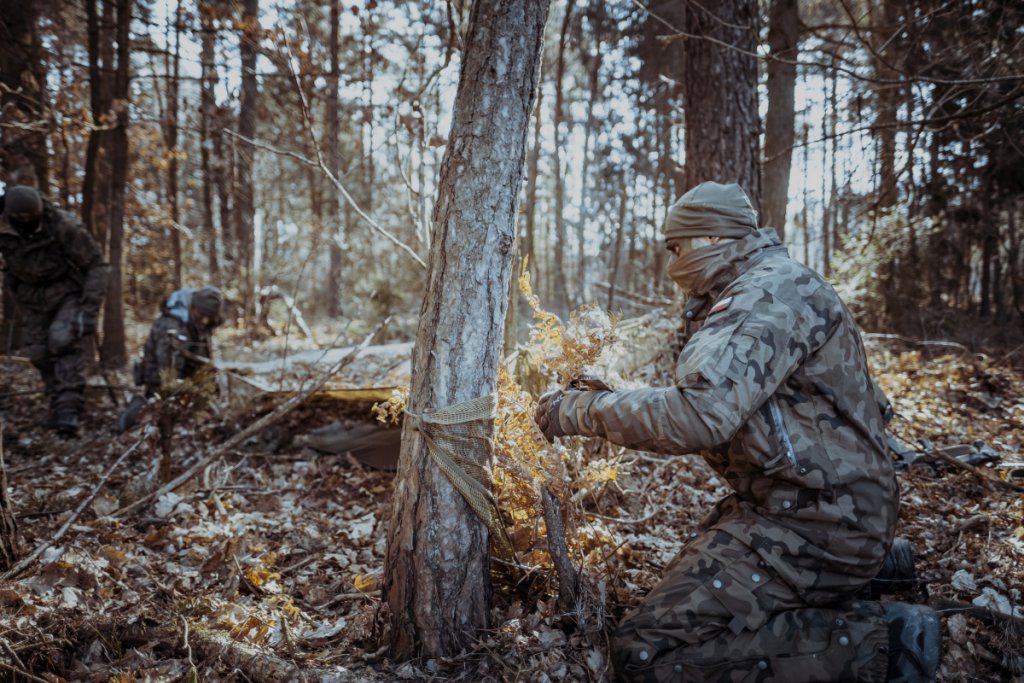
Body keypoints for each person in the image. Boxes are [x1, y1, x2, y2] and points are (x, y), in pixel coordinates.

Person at [534, 181, 941, 682]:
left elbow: (700, 415)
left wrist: (579, 412)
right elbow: (722, 398)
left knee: (645, 653)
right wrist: (611, 395)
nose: (672, 262)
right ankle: (878, 569)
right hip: (811, 509)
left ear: (712, 237)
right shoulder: (765, 285)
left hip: (818, 525)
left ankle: (886, 641)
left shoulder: (763, 295)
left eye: (677, 247)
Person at [0, 185, 109, 436]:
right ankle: (57, 403)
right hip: (31, 297)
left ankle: (69, 410)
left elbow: (97, 266)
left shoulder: (63, 225)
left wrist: (88, 311)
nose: (28, 224)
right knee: (38, 353)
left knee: (61, 340)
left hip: (66, 292)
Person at [117, 285, 224, 432]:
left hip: (188, 382)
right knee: (145, 417)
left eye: (209, 317)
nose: (205, 321)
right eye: (202, 315)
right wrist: (188, 390)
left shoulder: (200, 322)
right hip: (161, 384)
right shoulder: (171, 326)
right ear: (193, 307)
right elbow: (168, 372)